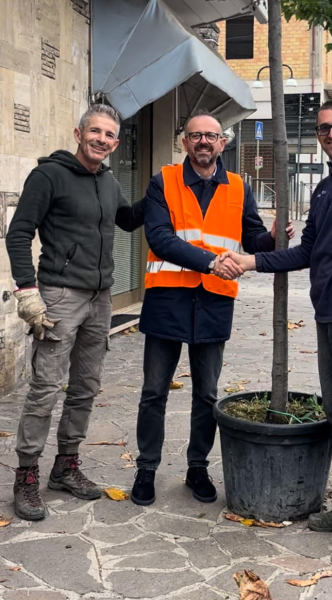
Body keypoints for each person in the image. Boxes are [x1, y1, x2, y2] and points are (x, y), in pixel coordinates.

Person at [220, 98, 332, 565]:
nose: (331, 133)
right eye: (324, 128)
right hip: (330, 318)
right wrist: (252, 260)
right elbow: (307, 253)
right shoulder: (325, 189)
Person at [131, 110, 294, 506]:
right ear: (184, 142)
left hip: (214, 302)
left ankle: (197, 467)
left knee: (206, 393)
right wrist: (209, 261)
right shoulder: (162, 182)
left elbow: (251, 235)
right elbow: (161, 237)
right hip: (167, 300)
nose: (204, 142)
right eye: (195, 136)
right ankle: (146, 469)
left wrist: (270, 237)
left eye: (212, 136)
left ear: (223, 143)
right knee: (154, 391)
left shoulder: (239, 187)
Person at [6, 104, 145, 521]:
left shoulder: (107, 180)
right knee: (45, 388)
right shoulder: (49, 175)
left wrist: (161, 192)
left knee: (85, 386)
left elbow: (126, 220)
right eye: (95, 132)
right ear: (79, 133)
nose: (102, 140)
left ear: (116, 143)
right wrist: (28, 292)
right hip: (60, 296)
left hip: (101, 298)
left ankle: (66, 466)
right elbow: (18, 234)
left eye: (110, 135)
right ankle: (27, 474)